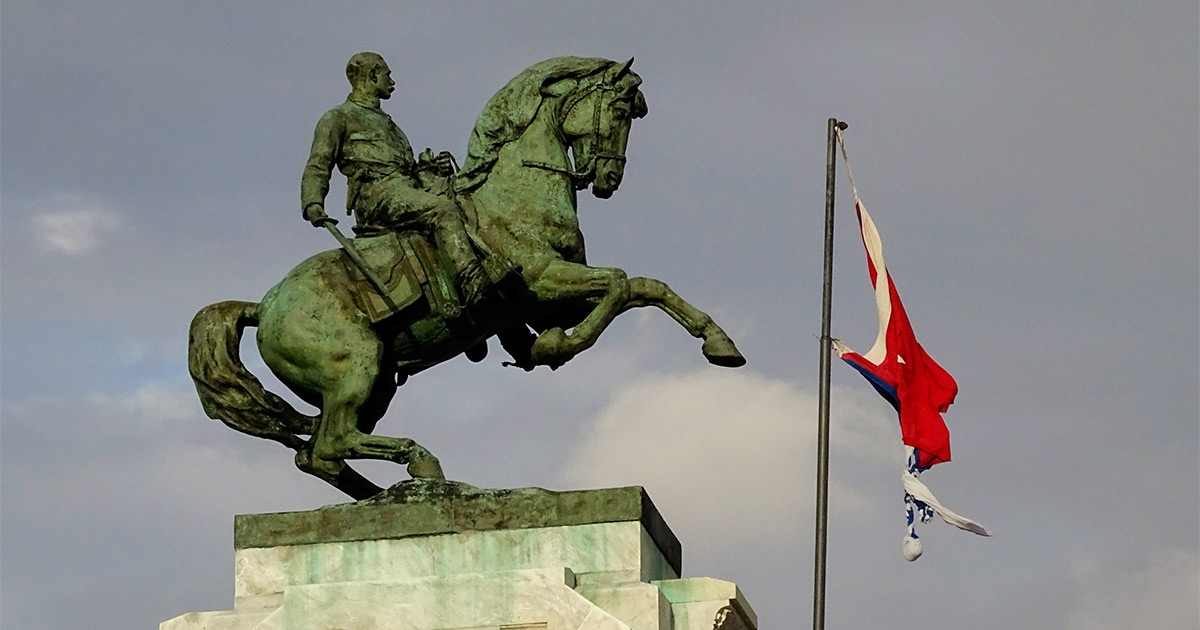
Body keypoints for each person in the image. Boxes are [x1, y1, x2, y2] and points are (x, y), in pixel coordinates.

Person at [301, 52, 500, 308]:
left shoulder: (388, 123)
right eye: (387, 74)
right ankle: (471, 280)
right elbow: (319, 163)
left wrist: (427, 168)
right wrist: (313, 202)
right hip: (378, 196)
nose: (392, 81)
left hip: (403, 189)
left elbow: (403, 168)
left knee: (465, 202)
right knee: (443, 210)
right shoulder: (338, 118)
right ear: (372, 75)